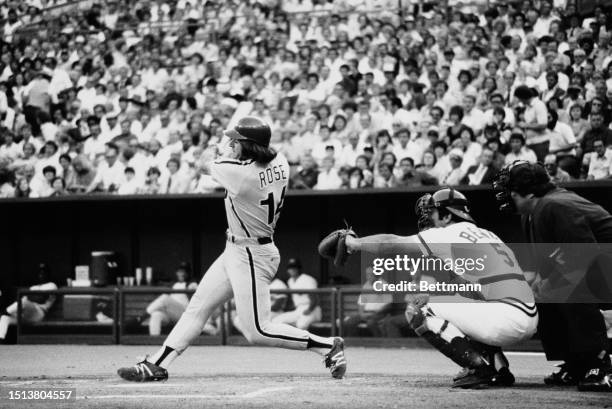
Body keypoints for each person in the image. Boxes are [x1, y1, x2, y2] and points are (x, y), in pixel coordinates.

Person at [117, 117, 346, 382]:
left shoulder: (241, 174)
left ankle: (328, 346)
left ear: (248, 146)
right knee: (198, 308)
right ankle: (157, 363)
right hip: (237, 249)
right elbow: (247, 158)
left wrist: (217, 148)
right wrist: (231, 149)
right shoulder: (280, 160)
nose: (232, 144)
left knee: (257, 331)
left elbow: (203, 162)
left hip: (251, 254)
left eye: (237, 141)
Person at [339, 188, 537, 388]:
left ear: (447, 214)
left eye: (432, 212)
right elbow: (467, 285)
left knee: (419, 309)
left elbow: (390, 244)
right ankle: (499, 369)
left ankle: (479, 368)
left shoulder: (447, 232)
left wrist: (353, 242)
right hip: (526, 316)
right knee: (455, 301)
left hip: (504, 319)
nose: (429, 217)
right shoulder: (487, 234)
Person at [493, 161, 612, 391]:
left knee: (567, 283)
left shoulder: (555, 205)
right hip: (597, 265)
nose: (508, 195)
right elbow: (546, 267)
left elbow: (582, 257)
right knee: (541, 291)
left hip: (598, 262)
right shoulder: (531, 212)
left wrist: (549, 284)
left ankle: (600, 362)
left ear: (528, 192)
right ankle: (577, 362)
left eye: (511, 191)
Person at [0, 264, 58, 341]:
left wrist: (30, 296)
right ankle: (1, 340)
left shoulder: (52, 285)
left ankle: (6, 311)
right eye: (40, 272)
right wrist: (31, 297)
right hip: (25, 314)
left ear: (48, 274)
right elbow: (27, 298)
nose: (41, 274)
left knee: (24, 301)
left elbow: (41, 299)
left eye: (44, 272)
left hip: (39, 312)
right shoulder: (33, 287)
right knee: (5, 318)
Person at [144, 263, 198, 336]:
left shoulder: (192, 284)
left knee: (165, 298)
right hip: (172, 314)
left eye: (183, 272)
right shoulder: (175, 284)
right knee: (156, 314)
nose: (181, 274)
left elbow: (196, 299)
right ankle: (154, 339)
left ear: (188, 273)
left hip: (184, 314)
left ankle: (143, 316)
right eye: (179, 272)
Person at [272, 258, 322, 330]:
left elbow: (315, 299)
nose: (292, 269)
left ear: (299, 269)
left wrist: (309, 309)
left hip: (312, 309)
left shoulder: (307, 279)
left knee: (301, 325)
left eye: (295, 267)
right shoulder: (290, 281)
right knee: (276, 320)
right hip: (299, 309)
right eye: (290, 268)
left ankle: (307, 341)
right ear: (287, 270)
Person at [343, 268, 392, 337]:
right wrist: (362, 313)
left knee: (371, 323)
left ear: (376, 274)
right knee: (350, 322)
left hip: (379, 314)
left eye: (370, 274)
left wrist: (374, 313)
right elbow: (361, 303)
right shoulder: (366, 285)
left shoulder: (384, 285)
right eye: (367, 274)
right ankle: (354, 343)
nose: (368, 277)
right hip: (366, 313)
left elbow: (388, 305)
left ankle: (380, 343)